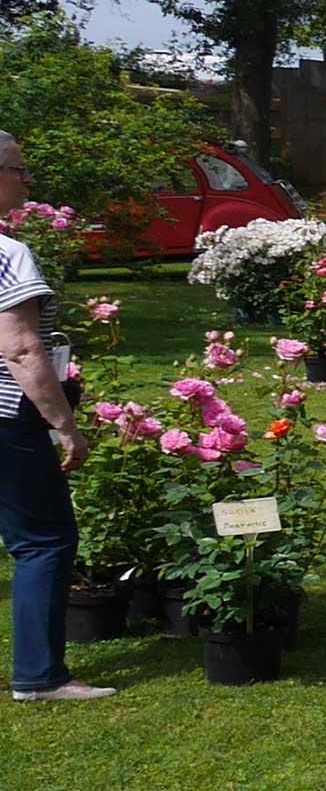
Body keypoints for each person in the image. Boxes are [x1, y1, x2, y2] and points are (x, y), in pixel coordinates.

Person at [0, 129, 109, 702]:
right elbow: (20, 349)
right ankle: (39, 677)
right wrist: (65, 425)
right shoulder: (7, 253)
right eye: (19, 169)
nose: (26, 180)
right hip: (5, 417)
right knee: (42, 540)